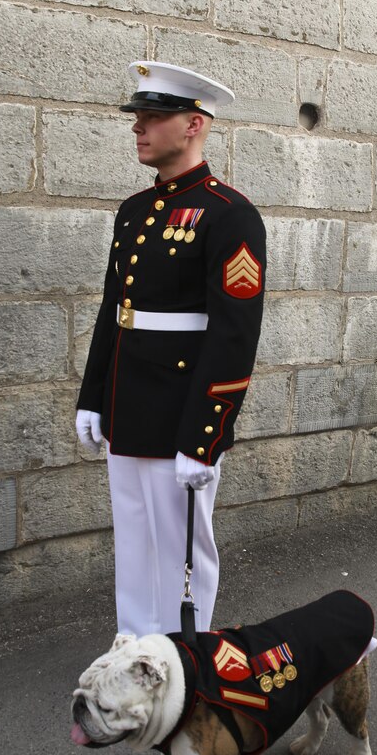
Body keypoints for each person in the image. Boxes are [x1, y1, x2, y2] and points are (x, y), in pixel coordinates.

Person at [76, 61, 266, 637]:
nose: (139, 128)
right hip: (128, 405)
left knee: (184, 546)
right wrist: (93, 397)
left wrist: (203, 436)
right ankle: (135, 649)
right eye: (138, 117)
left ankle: (184, 659)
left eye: (153, 117)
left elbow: (234, 335)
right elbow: (116, 311)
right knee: (133, 541)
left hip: (181, 410)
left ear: (194, 124)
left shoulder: (229, 215)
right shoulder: (134, 212)